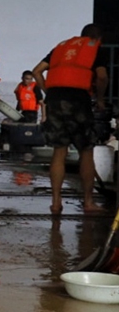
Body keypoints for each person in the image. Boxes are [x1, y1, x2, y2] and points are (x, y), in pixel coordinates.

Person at [32, 24, 108, 214]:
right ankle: (88, 202)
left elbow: (36, 71)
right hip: (78, 100)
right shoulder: (94, 47)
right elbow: (102, 77)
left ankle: (56, 203)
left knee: (59, 151)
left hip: (55, 101)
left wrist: (48, 91)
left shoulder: (61, 47)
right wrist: (99, 99)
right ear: (97, 38)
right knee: (86, 151)